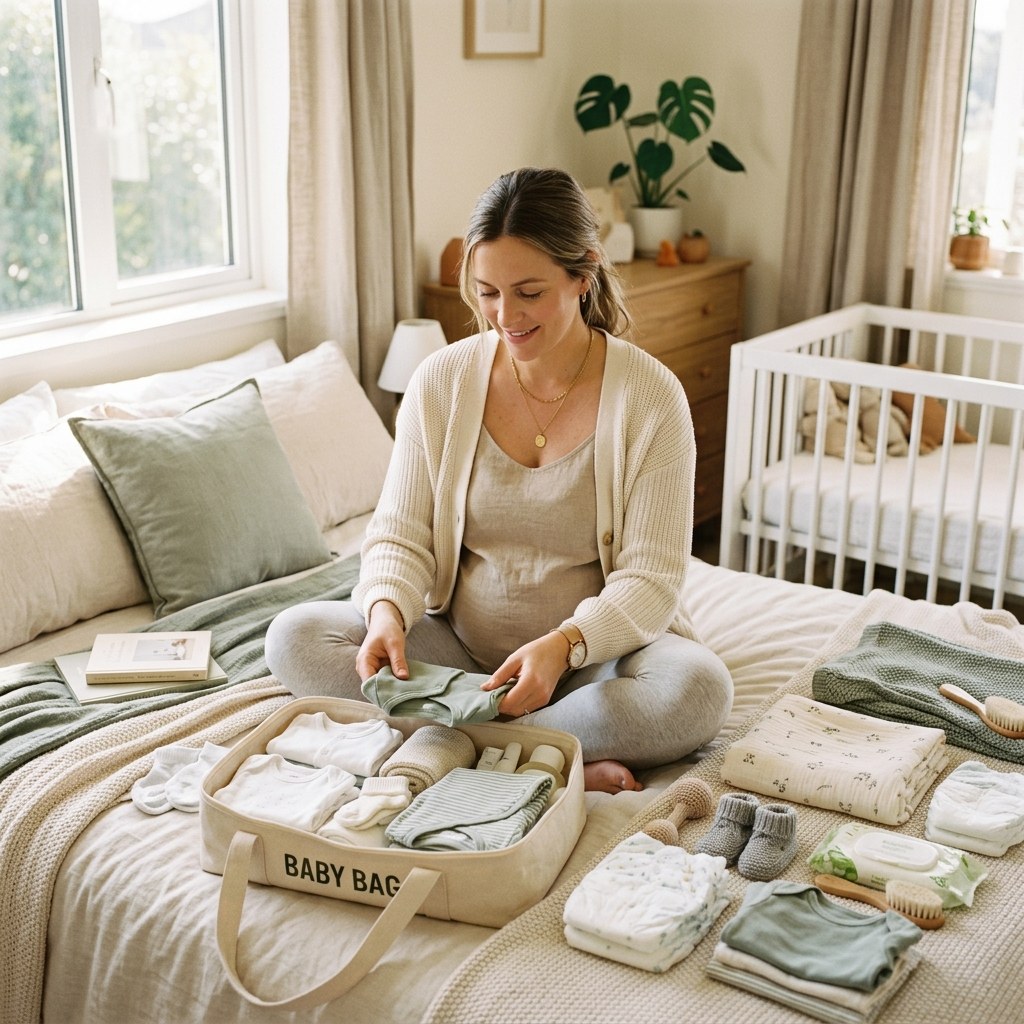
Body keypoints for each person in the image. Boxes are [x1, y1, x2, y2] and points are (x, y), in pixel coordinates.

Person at [265, 167, 733, 793]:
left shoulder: (651, 398)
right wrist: (385, 613)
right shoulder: (442, 382)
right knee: (294, 636)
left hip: (592, 667)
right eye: (487, 292)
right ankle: (541, 754)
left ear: (583, 275)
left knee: (699, 689)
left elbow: (651, 580)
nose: (504, 316)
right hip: (458, 654)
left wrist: (566, 646)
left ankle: (465, 741)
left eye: (529, 292)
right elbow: (400, 534)